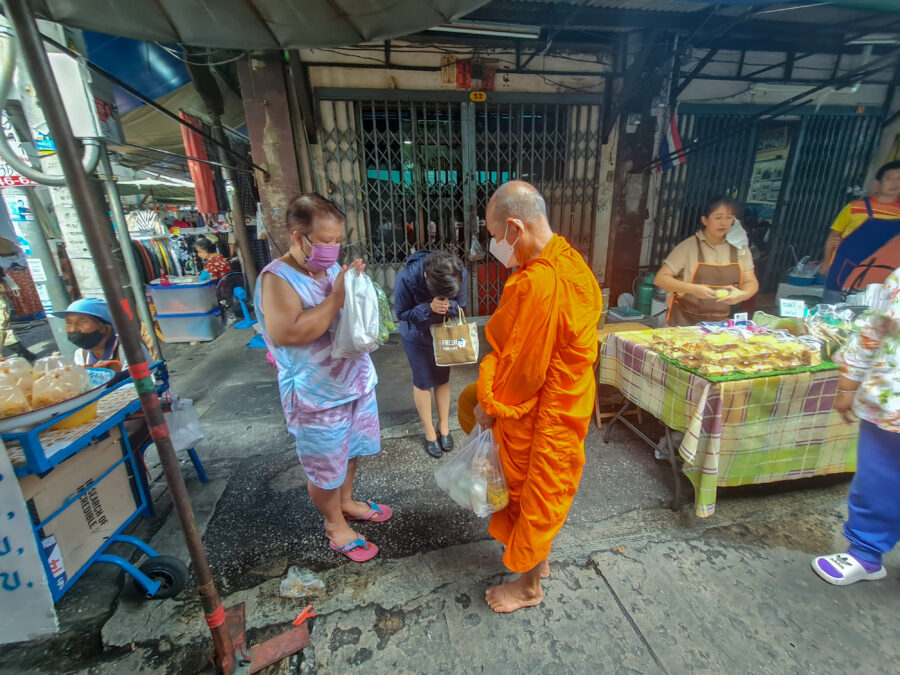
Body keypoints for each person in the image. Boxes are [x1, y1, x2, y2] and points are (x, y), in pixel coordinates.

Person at [466, 181, 602, 613]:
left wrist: (488, 406)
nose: (495, 247)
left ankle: (527, 588)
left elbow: (520, 370)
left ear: (514, 227)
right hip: (570, 402)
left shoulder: (536, 284)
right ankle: (537, 559)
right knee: (551, 486)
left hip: (541, 412)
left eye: (494, 236)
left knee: (530, 491)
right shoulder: (570, 259)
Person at [255, 194, 389, 563]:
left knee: (350, 452)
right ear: (299, 237)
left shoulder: (330, 271)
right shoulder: (277, 279)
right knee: (325, 464)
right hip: (316, 394)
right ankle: (334, 524)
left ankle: (346, 503)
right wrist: (337, 297)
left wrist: (354, 286)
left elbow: (347, 310)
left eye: (337, 241)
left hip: (354, 382)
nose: (332, 248)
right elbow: (290, 333)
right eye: (325, 240)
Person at [812, 265, 900, 585]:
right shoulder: (899, 279)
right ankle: (866, 554)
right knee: (877, 481)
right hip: (888, 406)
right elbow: (873, 332)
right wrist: (847, 386)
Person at [394, 249, 467, 458]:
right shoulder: (406, 278)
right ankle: (429, 432)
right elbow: (401, 313)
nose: (445, 297)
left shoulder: (458, 273)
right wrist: (428, 307)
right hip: (415, 334)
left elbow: (461, 306)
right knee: (423, 381)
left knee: (442, 377)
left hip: (443, 333)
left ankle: (444, 426)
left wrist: (449, 306)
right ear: (427, 277)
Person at [654, 196, 759, 326]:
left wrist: (742, 294)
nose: (724, 223)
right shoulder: (688, 247)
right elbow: (661, 279)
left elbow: (751, 281)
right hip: (683, 323)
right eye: (718, 217)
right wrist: (693, 289)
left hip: (718, 326)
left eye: (729, 217)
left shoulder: (740, 249)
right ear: (705, 220)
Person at [819, 161, 900, 304]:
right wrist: (826, 263)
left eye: (898, 178)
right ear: (877, 183)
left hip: (882, 272)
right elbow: (834, 236)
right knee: (833, 309)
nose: (894, 183)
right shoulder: (855, 208)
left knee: (869, 312)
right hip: (844, 267)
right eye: (889, 178)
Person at [52, 297, 150, 371]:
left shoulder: (128, 349)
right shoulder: (81, 355)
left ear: (106, 329)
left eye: (82, 321)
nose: (73, 329)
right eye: (68, 322)